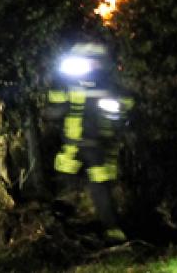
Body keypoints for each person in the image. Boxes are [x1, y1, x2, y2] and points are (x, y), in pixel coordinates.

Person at [47, 41, 133, 243]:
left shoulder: (109, 84)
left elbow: (126, 105)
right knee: (63, 186)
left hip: (99, 146)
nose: (89, 65)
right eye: (85, 61)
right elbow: (51, 109)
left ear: (100, 63)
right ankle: (60, 229)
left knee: (100, 189)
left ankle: (112, 231)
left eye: (93, 61)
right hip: (72, 145)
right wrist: (57, 108)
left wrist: (116, 109)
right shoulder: (66, 83)